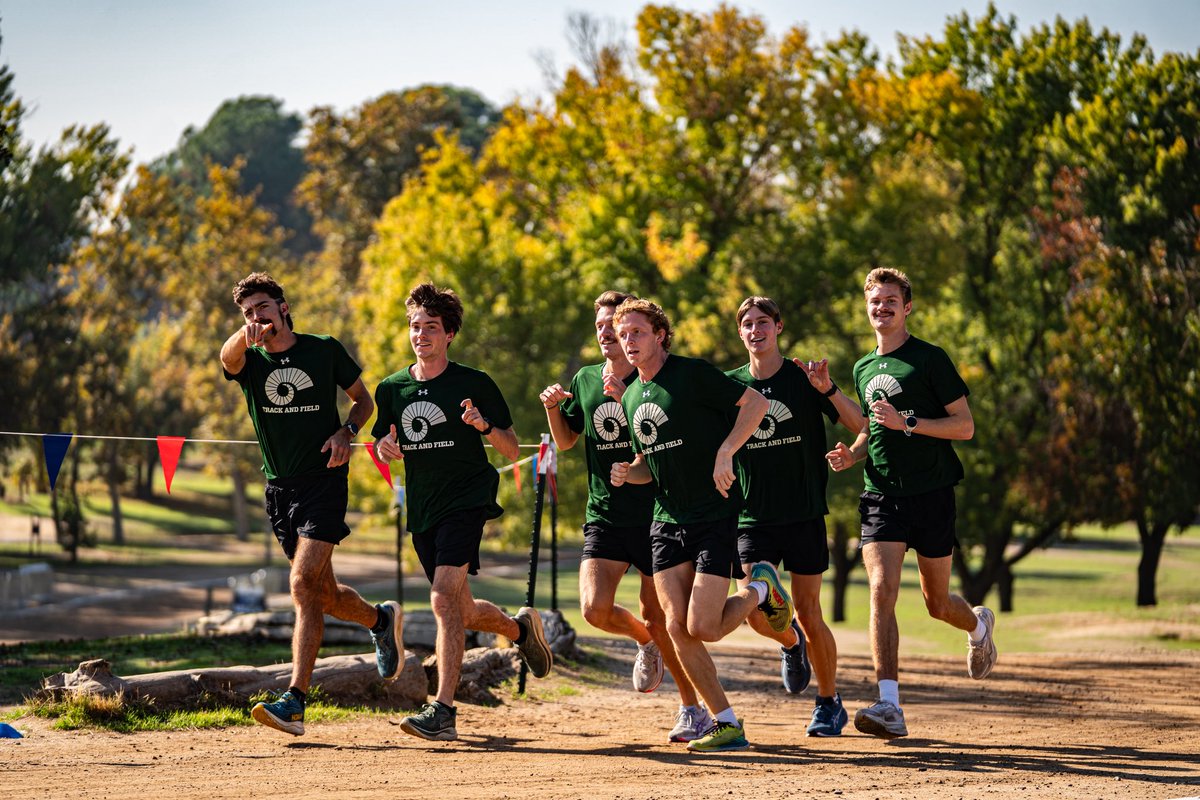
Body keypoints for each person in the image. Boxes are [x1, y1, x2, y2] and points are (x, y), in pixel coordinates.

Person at [220, 272, 403, 737]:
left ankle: (295, 702)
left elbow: (363, 401)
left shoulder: (323, 349)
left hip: (324, 480)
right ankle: (381, 620)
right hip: (279, 488)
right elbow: (226, 357)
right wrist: (245, 336)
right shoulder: (250, 361)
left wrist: (347, 432)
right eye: (247, 312)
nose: (256, 317)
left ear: (283, 307)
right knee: (323, 595)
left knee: (301, 585)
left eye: (263, 307)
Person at [373, 283, 553, 742]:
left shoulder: (474, 383)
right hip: (424, 507)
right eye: (415, 327)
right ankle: (519, 629)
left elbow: (511, 446)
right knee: (463, 609)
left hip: (468, 498)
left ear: (449, 334)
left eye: (430, 328)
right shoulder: (392, 388)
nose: (420, 335)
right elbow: (381, 441)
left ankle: (443, 710)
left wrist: (484, 425)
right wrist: (385, 446)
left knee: (440, 599)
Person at [610, 298, 790, 753]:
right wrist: (627, 472)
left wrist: (727, 450)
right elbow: (649, 466)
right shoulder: (631, 395)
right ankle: (726, 722)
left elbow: (756, 404)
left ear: (660, 335)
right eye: (623, 334)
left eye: (638, 333)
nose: (629, 342)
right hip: (666, 521)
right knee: (676, 628)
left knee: (705, 626)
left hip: (714, 514)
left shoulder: (692, 373)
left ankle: (761, 589)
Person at [826, 267, 997, 739]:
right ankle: (889, 704)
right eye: (875, 300)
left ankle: (978, 626)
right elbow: (869, 427)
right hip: (881, 493)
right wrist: (853, 453)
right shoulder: (863, 367)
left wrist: (910, 422)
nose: (881, 308)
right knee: (881, 591)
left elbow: (964, 426)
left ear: (907, 307)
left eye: (890, 301)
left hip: (932, 493)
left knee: (936, 602)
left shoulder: (929, 360)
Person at [540, 290, 709, 743]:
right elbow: (569, 440)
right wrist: (554, 408)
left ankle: (692, 708)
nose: (606, 333)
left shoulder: (653, 377)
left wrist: (628, 398)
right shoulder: (586, 379)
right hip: (605, 511)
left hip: (657, 512)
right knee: (594, 609)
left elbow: (663, 439)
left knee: (663, 618)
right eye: (600, 326)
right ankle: (644, 642)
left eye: (614, 325)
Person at [726, 295, 864, 737]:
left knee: (807, 608)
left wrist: (826, 388)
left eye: (763, 322)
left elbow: (860, 423)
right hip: (750, 517)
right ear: (741, 332)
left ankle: (829, 702)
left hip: (804, 513)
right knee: (751, 609)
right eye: (747, 323)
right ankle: (790, 644)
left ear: (779, 327)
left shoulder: (804, 379)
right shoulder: (728, 386)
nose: (755, 330)